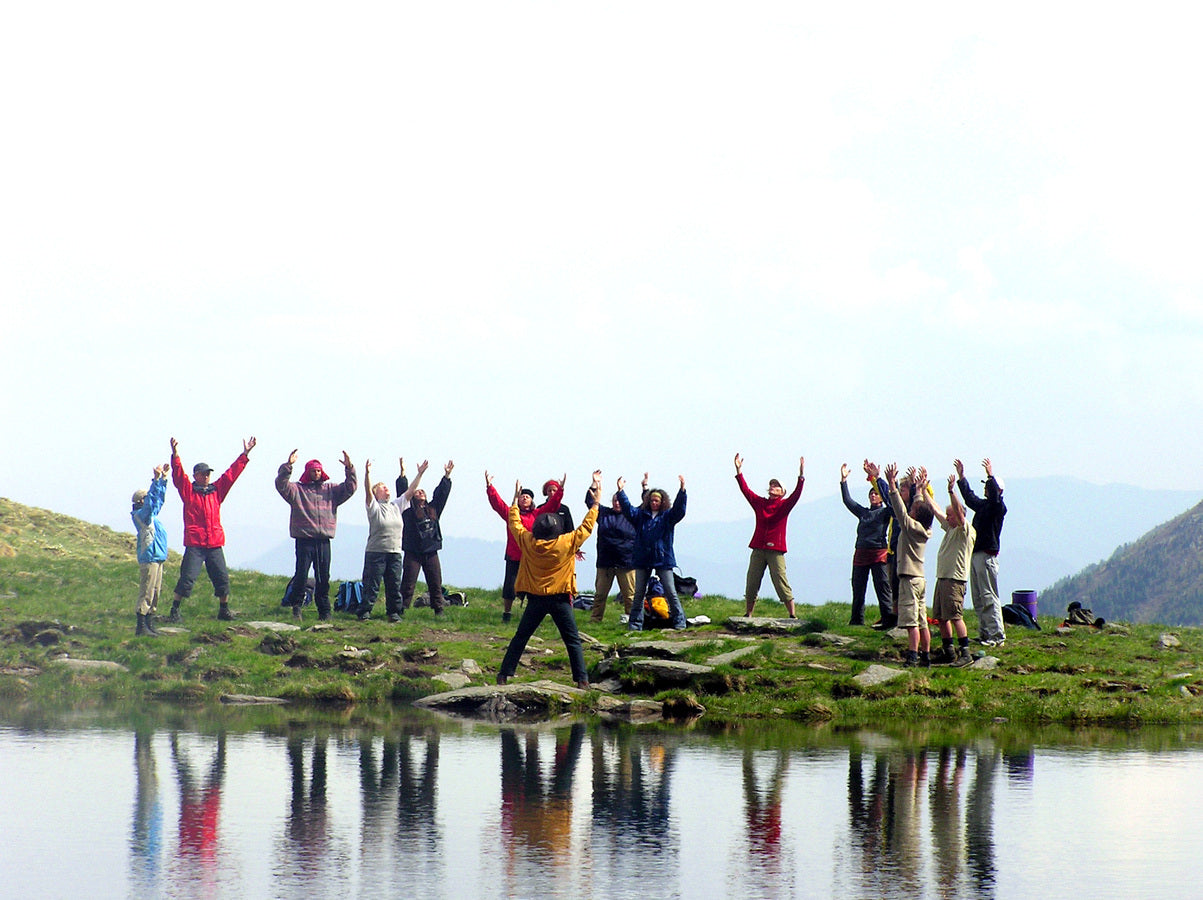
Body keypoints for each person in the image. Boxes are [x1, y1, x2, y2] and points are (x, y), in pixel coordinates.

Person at [497, 471, 601, 688]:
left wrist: (515, 500)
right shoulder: (566, 543)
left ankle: (504, 675)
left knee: (520, 638)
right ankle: (582, 680)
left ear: (536, 529)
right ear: (556, 529)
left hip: (535, 599)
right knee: (572, 640)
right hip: (561, 599)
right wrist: (596, 505)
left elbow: (514, 523)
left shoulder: (528, 542)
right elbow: (586, 528)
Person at [167, 436, 255, 622]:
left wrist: (245, 454)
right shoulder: (189, 492)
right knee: (187, 578)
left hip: (214, 543)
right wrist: (175, 455)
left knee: (222, 578)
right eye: (203, 473)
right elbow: (178, 476)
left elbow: (232, 474)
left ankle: (224, 610)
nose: (207, 476)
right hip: (196, 544)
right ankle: (174, 610)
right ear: (196, 476)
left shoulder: (216, 491)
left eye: (208, 473)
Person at [275, 450, 358, 621]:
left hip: (323, 540)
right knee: (301, 575)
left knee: (323, 577)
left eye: (319, 470)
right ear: (307, 472)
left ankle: (324, 611)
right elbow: (281, 485)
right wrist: (288, 466)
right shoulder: (297, 490)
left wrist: (349, 468)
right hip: (304, 539)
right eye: (313, 471)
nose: (317, 473)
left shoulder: (331, 490)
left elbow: (350, 488)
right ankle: (297, 607)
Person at [486, 472, 564, 622]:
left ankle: (533, 615)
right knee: (509, 587)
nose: (524, 497)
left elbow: (552, 505)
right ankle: (507, 613)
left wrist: (560, 490)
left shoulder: (537, 514)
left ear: (532, 501)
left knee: (533, 587)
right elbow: (497, 504)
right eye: (522, 496)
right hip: (513, 555)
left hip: (532, 556)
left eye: (527, 496)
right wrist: (490, 487)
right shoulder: (511, 514)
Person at [734, 453, 804, 618]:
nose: (773, 486)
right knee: (752, 581)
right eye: (771, 484)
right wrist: (739, 472)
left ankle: (792, 614)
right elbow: (746, 491)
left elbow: (796, 495)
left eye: (776, 485)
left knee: (780, 581)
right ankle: (748, 613)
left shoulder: (784, 505)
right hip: (758, 548)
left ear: (782, 492)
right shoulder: (760, 503)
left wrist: (801, 476)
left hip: (776, 550)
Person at [617, 474, 688, 631]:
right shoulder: (640, 516)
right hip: (643, 559)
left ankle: (679, 622)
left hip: (663, 559)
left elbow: (679, 511)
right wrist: (621, 492)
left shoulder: (667, 517)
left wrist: (682, 491)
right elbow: (628, 510)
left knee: (671, 592)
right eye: (651, 500)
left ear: (662, 502)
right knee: (639, 594)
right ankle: (635, 625)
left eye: (656, 500)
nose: (654, 503)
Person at [360, 458, 426, 622]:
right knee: (372, 585)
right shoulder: (374, 507)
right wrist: (367, 474)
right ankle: (364, 612)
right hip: (376, 552)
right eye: (382, 487)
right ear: (377, 493)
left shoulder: (396, 505)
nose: (386, 488)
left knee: (394, 585)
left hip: (395, 552)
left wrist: (420, 473)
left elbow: (410, 491)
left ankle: (393, 613)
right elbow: (367, 491)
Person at [885, 463, 934, 667]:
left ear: (915, 515)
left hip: (908, 578)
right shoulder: (923, 528)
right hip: (920, 578)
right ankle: (926, 657)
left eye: (913, 509)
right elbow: (918, 507)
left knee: (911, 622)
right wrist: (919, 491)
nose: (910, 510)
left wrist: (892, 486)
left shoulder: (910, 527)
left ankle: (912, 657)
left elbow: (900, 511)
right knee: (923, 621)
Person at [924, 473, 976, 666]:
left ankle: (965, 653)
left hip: (955, 579)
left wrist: (951, 491)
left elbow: (959, 513)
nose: (947, 518)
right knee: (941, 617)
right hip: (943, 578)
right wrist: (923, 492)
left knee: (955, 617)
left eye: (950, 515)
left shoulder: (965, 530)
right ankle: (949, 651)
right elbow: (937, 511)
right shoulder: (951, 528)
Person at [956, 458, 1008, 647]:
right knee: (978, 597)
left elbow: (994, 496)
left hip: (987, 555)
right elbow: (969, 498)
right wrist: (962, 478)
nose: (985, 489)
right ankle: (986, 633)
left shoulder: (998, 508)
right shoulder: (985, 506)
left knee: (989, 596)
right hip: (977, 555)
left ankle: (997, 635)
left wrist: (990, 475)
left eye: (988, 487)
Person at [841, 461, 893, 626]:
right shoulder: (863, 512)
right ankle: (856, 620)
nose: (873, 496)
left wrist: (876, 480)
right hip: (861, 552)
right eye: (871, 494)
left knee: (882, 587)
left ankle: (888, 618)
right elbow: (848, 500)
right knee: (858, 588)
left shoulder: (886, 512)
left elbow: (891, 501)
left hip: (878, 552)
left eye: (875, 494)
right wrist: (843, 481)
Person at [400, 460, 453, 614]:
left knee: (435, 582)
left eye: (423, 491)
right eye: (417, 491)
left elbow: (441, 494)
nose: (420, 492)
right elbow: (403, 493)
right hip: (412, 552)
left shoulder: (433, 509)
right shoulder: (408, 510)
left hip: (431, 551)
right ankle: (402, 608)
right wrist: (403, 474)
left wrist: (447, 476)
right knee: (408, 582)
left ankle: (438, 608)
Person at [131, 464, 170, 636]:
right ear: (141, 501)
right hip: (149, 557)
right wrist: (155, 480)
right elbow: (152, 500)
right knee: (147, 591)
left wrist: (163, 480)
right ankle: (141, 626)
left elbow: (157, 500)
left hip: (157, 556)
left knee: (155, 592)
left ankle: (149, 623)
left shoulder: (150, 514)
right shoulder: (142, 516)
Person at [589, 487, 637, 624]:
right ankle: (595, 620)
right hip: (605, 562)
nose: (617, 503)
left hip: (626, 562)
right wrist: (594, 484)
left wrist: (644, 487)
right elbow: (590, 502)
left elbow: (646, 507)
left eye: (619, 501)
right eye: (615, 501)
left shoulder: (632, 515)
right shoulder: (604, 513)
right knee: (600, 595)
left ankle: (633, 621)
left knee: (630, 596)